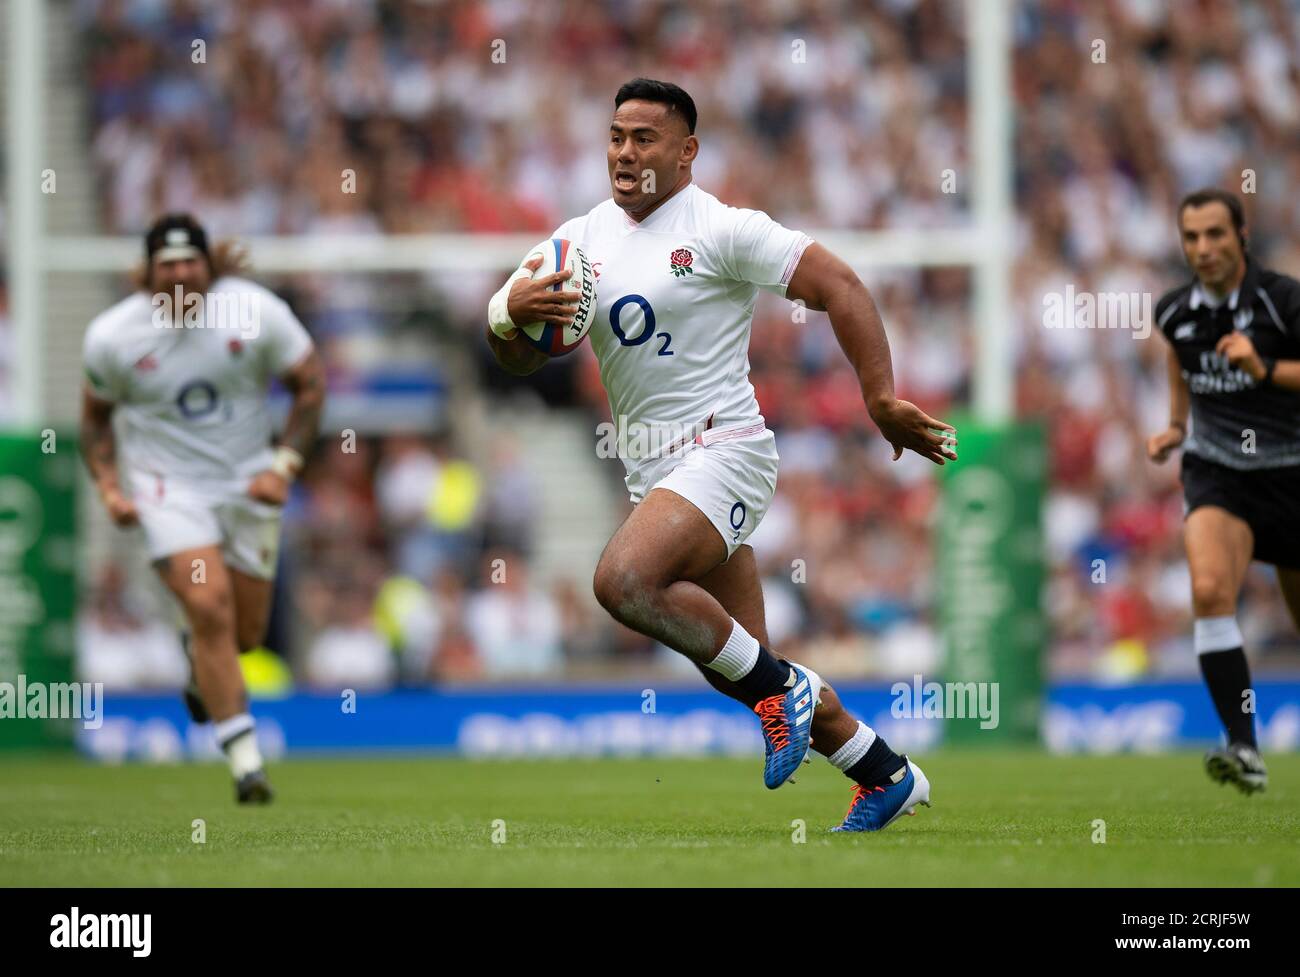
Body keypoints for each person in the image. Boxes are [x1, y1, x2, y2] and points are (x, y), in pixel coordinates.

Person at [486, 79, 957, 831]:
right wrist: (507, 316)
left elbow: (839, 283)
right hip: (655, 475)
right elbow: (515, 357)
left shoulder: (721, 228)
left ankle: (784, 694)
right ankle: (883, 771)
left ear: (687, 151)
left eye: (645, 138)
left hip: (724, 450)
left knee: (623, 580)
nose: (626, 152)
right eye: (616, 136)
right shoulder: (576, 243)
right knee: (745, 663)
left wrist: (878, 397)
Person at [81, 213, 325, 803]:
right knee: (209, 603)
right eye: (167, 265)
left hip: (248, 487)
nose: (181, 274)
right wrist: (111, 487)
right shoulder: (113, 335)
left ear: (208, 266)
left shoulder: (255, 311)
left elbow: (310, 384)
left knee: (242, 636)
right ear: (147, 274)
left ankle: (199, 660)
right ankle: (246, 763)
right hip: (167, 490)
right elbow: (94, 421)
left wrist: (283, 466)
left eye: (190, 261)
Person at [1147, 188, 1300, 794]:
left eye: (1214, 234)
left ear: (1242, 235)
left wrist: (1264, 367)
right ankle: (1244, 747)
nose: (1202, 249)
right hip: (1219, 471)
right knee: (1210, 590)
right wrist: (1176, 426)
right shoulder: (1172, 310)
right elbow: (1179, 362)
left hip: (1293, 474)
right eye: (1191, 238)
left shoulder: (1284, 301)